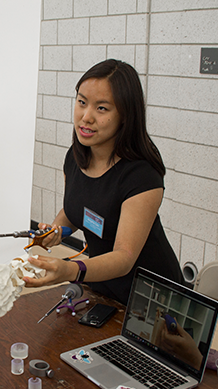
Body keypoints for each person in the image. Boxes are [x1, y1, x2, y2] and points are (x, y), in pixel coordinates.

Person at [24, 59, 184, 305]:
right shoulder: (76, 156)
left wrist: (70, 269)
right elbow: (77, 207)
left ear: (125, 115)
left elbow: (124, 256)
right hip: (99, 283)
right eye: (81, 102)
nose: (86, 117)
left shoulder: (142, 175)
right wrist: (56, 230)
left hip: (149, 296)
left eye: (101, 108)